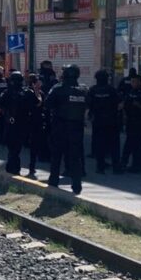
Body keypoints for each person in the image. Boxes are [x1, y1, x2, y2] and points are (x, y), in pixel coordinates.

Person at [45, 65, 88, 194]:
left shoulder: (58, 89)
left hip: (60, 127)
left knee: (57, 156)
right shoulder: (84, 90)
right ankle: (76, 185)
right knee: (75, 158)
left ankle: (53, 181)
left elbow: (47, 104)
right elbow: (89, 106)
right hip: (77, 128)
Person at [0, 70, 36, 176]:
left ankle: (13, 168)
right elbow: (37, 104)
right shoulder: (28, 92)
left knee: (12, 147)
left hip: (11, 124)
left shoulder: (6, 93)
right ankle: (16, 167)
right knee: (17, 147)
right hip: (25, 124)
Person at [87, 69, 121, 175]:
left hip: (98, 121)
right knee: (114, 145)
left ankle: (100, 167)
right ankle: (116, 167)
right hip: (112, 121)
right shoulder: (111, 90)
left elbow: (88, 105)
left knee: (99, 144)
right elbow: (119, 104)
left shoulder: (93, 90)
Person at [119, 74, 141, 173]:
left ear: (139, 82)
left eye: (135, 81)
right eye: (132, 81)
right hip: (130, 121)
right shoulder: (130, 92)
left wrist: (138, 105)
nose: (133, 83)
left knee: (136, 144)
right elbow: (125, 104)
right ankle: (125, 163)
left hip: (139, 122)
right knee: (129, 143)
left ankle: (137, 165)